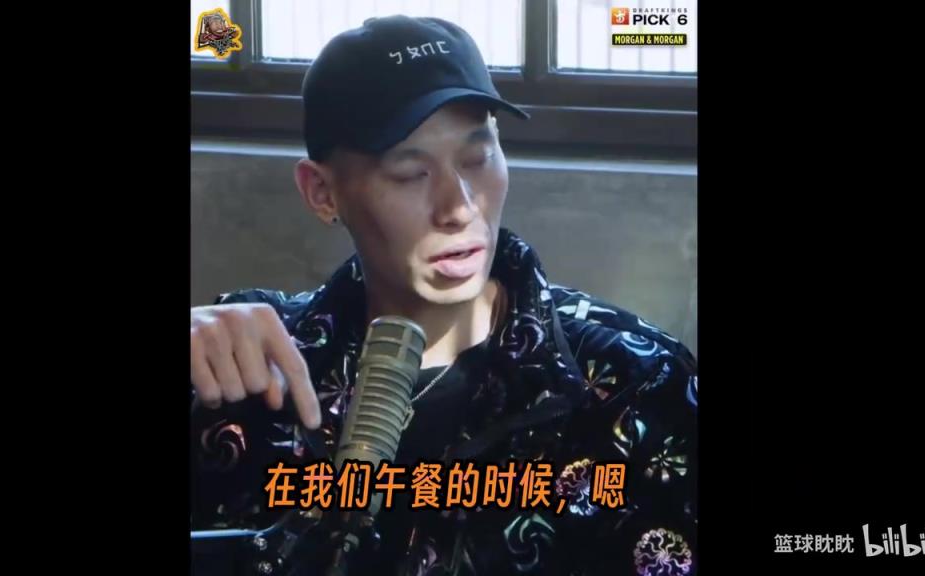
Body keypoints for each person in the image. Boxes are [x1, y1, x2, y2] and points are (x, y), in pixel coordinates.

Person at [190, 15, 697, 576]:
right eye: (411, 173)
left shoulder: (634, 381)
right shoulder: (247, 368)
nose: (459, 207)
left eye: (478, 159)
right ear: (322, 192)